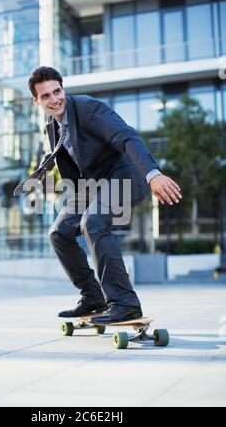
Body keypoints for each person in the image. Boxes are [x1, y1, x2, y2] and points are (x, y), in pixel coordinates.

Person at [27, 66, 182, 324]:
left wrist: (153, 174)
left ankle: (125, 303)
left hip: (122, 176)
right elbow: (59, 151)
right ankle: (92, 297)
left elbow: (127, 137)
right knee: (58, 233)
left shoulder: (88, 108)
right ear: (36, 100)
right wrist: (41, 172)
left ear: (63, 89)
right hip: (90, 187)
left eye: (57, 91)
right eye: (46, 96)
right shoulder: (51, 124)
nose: (54, 99)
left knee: (94, 222)